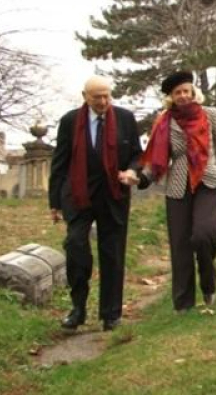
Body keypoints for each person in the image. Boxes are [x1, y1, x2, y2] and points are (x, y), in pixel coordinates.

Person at [49, 75, 147, 331]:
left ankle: (111, 314)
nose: (103, 101)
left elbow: (137, 154)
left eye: (107, 96)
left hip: (114, 195)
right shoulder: (70, 121)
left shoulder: (125, 118)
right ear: (85, 97)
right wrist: (54, 202)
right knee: (75, 245)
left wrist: (132, 171)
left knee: (112, 252)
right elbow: (60, 161)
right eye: (97, 97)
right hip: (79, 195)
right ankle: (78, 308)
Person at [135, 71, 216, 313]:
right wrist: (143, 177)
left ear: (193, 92)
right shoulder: (165, 121)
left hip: (208, 180)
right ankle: (183, 303)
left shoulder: (210, 114)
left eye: (186, 91)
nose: (183, 96)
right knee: (180, 246)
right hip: (178, 185)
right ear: (171, 97)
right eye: (177, 93)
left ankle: (208, 285)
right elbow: (157, 157)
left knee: (204, 234)